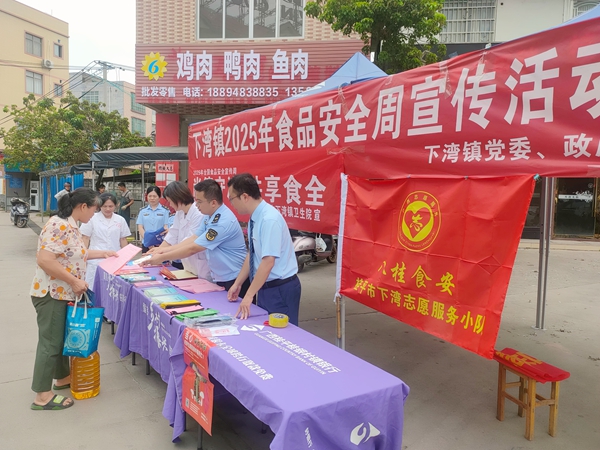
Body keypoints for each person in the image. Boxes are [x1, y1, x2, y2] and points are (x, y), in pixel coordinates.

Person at [29, 188, 117, 411]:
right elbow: (45, 260)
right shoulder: (58, 225)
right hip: (52, 293)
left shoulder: (72, 225)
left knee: (60, 339)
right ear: (83, 206)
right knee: (50, 343)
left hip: (63, 293)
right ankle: (42, 395)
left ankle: (62, 378)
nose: (94, 214)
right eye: (94, 209)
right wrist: (74, 281)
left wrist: (104, 253)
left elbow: (75, 254)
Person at [144, 179, 250, 297]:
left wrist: (162, 256)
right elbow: (193, 238)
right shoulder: (209, 216)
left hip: (234, 276)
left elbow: (193, 248)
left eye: (199, 201)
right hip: (221, 275)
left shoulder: (222, 221)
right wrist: (163, 250)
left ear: (213, 203)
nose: (196, 205)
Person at [226, 173, 301, 325]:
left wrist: (249, 295)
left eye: (231, 199)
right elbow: (253, 254)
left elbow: (268, 262)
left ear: (245, 197)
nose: (231, 204)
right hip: (265, 287)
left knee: (282, 334)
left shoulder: (269, 219)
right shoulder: (255, 218)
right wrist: (238, 283)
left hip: (280, 288)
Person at [152, 181, 210, 279]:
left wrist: (163, 254)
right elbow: (172, 235)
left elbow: (190, 241)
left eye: (170, 201)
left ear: (177, 198)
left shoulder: (198, 213)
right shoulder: (180, 212)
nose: (170, 204)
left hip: (200, 264)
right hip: (188, 264)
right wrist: (157, 251)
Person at [80, 193, 131, 290]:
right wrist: (83, 257)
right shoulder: (92, 218)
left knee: (113, 289)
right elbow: (85, 238)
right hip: (95, 259)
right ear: (99, 206)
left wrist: (126, 258)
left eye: (111, 206)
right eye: (105, 206)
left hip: (115, 258)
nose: (108, 209)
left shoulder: (120, 220)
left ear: (116, 205)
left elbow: (123, 239)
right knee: (94, 287)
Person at [136, 186, 170, 253]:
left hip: (160, 244)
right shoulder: (142, 211)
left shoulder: (165, 211)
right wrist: (149, 241)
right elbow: (140, 227)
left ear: (159, 197)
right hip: (146, 244)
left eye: (154, 196)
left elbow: (166, 227)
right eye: (150, 196)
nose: (152, 198)